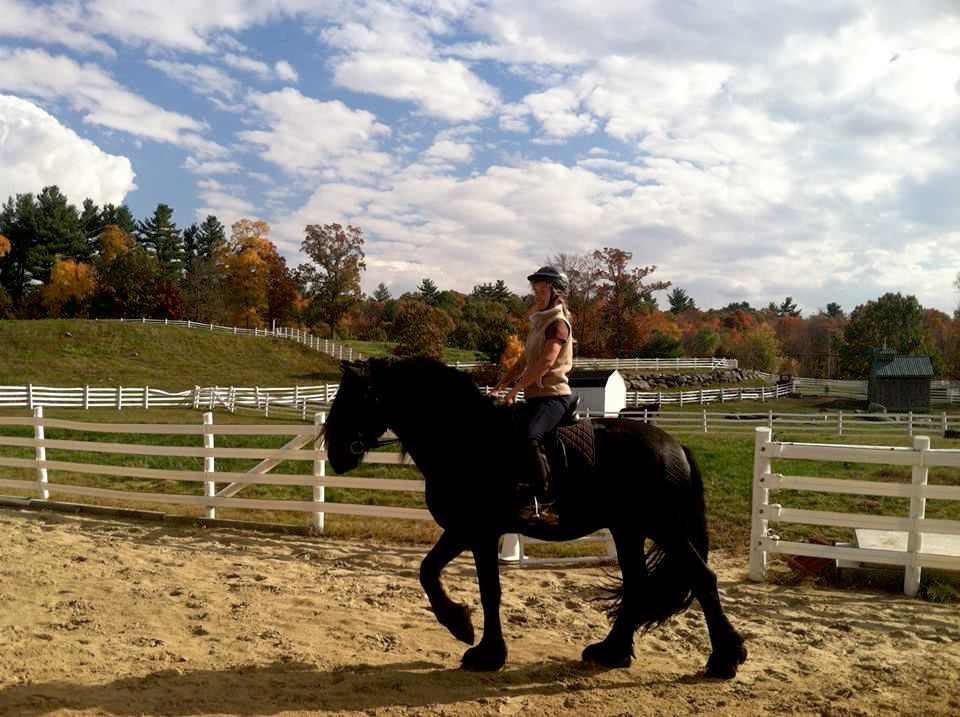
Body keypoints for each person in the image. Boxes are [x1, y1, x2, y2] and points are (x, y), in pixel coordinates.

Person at [491, 266, 575, 525]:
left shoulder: (557, 324)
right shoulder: (539, 324)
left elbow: (546, 362)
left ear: (556, 293)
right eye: (535, 290)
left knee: (530, 436)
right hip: (535, 397)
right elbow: (523, 361)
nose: (537, 295)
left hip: (553, 396)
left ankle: (549, 502)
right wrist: (500, 385)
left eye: (542, 290)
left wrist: (515, 389)